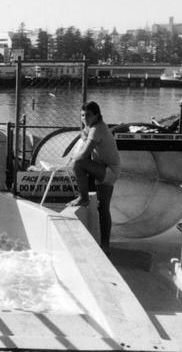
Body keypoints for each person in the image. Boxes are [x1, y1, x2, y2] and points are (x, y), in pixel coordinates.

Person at [67, 101, 121, 252]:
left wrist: (72, 160)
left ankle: (83, 198)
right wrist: (84, 130)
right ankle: (105, 246)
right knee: (103, 208)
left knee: (77, 163)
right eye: (82, 115)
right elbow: (84, 138)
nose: (85, 118)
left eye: (88, 115)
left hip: (109, 170)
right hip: (107, 170)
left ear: (97, 115)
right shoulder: (93, 127)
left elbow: (83, 156)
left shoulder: (97, 129)